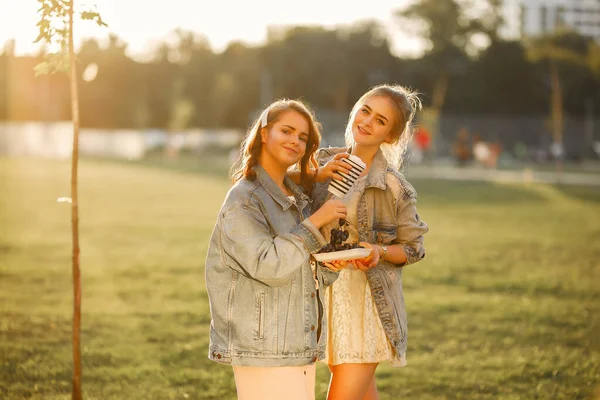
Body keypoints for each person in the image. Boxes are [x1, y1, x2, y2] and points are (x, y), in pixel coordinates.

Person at [204, 99, 348, 400]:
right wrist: (316, 222)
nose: (295, 140)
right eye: (287, 130)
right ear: (265, 134)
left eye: (303, 137)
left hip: (298, 343)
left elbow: (301, 266)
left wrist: (330, 266)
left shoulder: (295, 195)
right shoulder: (244, 200)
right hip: (264, 348)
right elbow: (269, 266)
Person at [310, 84, 429, 400]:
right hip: (328, 299)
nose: (367, 122)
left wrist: (378, 250)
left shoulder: (393, 186)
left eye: (380, 120)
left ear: (389, 136)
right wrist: (315, 176)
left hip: (369, 302)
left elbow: (413, 248)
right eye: (365, 110)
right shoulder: (320, 163)